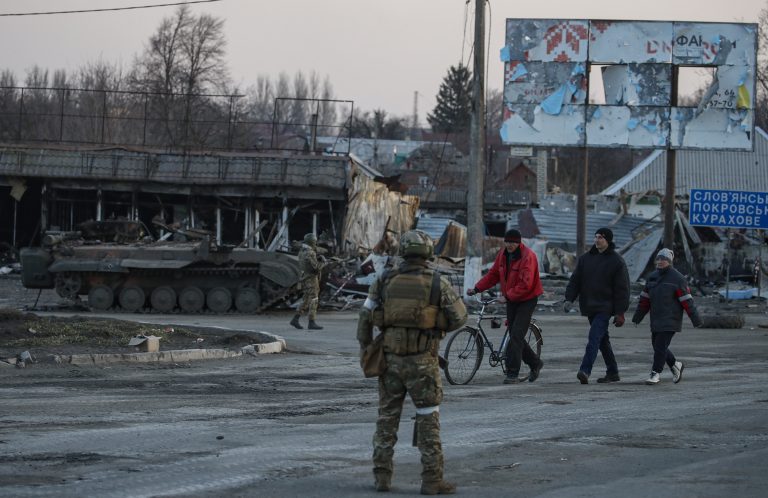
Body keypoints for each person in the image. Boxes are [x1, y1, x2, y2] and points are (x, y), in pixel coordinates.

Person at [357, 230, 467, 494]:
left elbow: (365, 316)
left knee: (387, 418)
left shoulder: (384, 279)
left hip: (390, 361)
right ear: (428, 253)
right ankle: (432, 481)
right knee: (428, 419)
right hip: (423, 363)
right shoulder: (437, 283)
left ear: (403, 252)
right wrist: (435, 322)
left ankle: (382, 478)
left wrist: (366, 348)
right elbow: (460, 318)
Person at [467, 229, 544, 384]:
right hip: (512, 299)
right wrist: (477, 288)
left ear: (519, 242)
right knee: (515, 334)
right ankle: (535, 363)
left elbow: (526, 284)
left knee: (515, 335)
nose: (509, 245)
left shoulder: (528, 257)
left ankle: (512, 373)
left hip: (527, 299)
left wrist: (507, 296)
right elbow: (493, 275)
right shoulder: (503, 255)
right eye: (507, 242)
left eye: (513, 242)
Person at [564, 227, 630, 384]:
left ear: (608, 240)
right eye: (596, 237)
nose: (597, 240)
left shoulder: (616, 261)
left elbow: (623, 289)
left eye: (600, 237)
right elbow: (575, 280)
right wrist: (569, 299)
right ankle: (613, 372)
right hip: (590, 305)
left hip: (605, 307)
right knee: (602, 340)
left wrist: (620, 312)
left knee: (594, 338)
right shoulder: (586, 259)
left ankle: (585, 370)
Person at [631, 248, 703, 385]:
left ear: (669, 261)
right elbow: (644, 300)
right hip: (656, 319)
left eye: (663, 259)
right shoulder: (652, 277)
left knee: (659, 347)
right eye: (658, 258)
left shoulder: (677, 278)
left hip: (671, 319)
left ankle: (655, 373)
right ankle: (675, 365)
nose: (660, 261)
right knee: (658, 346)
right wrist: (637, 317)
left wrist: (696, 319)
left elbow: (687, 300)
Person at [289, 232, 324, 330]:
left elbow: (307, 264)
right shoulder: (310, 253)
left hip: (304, 278)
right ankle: (311, 322)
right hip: (311, 279)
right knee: (314, 300)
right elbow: (316, 268)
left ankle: (295, 319)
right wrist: (323, 262)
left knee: (305, 300)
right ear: (312, 242)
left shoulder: (301, 251)